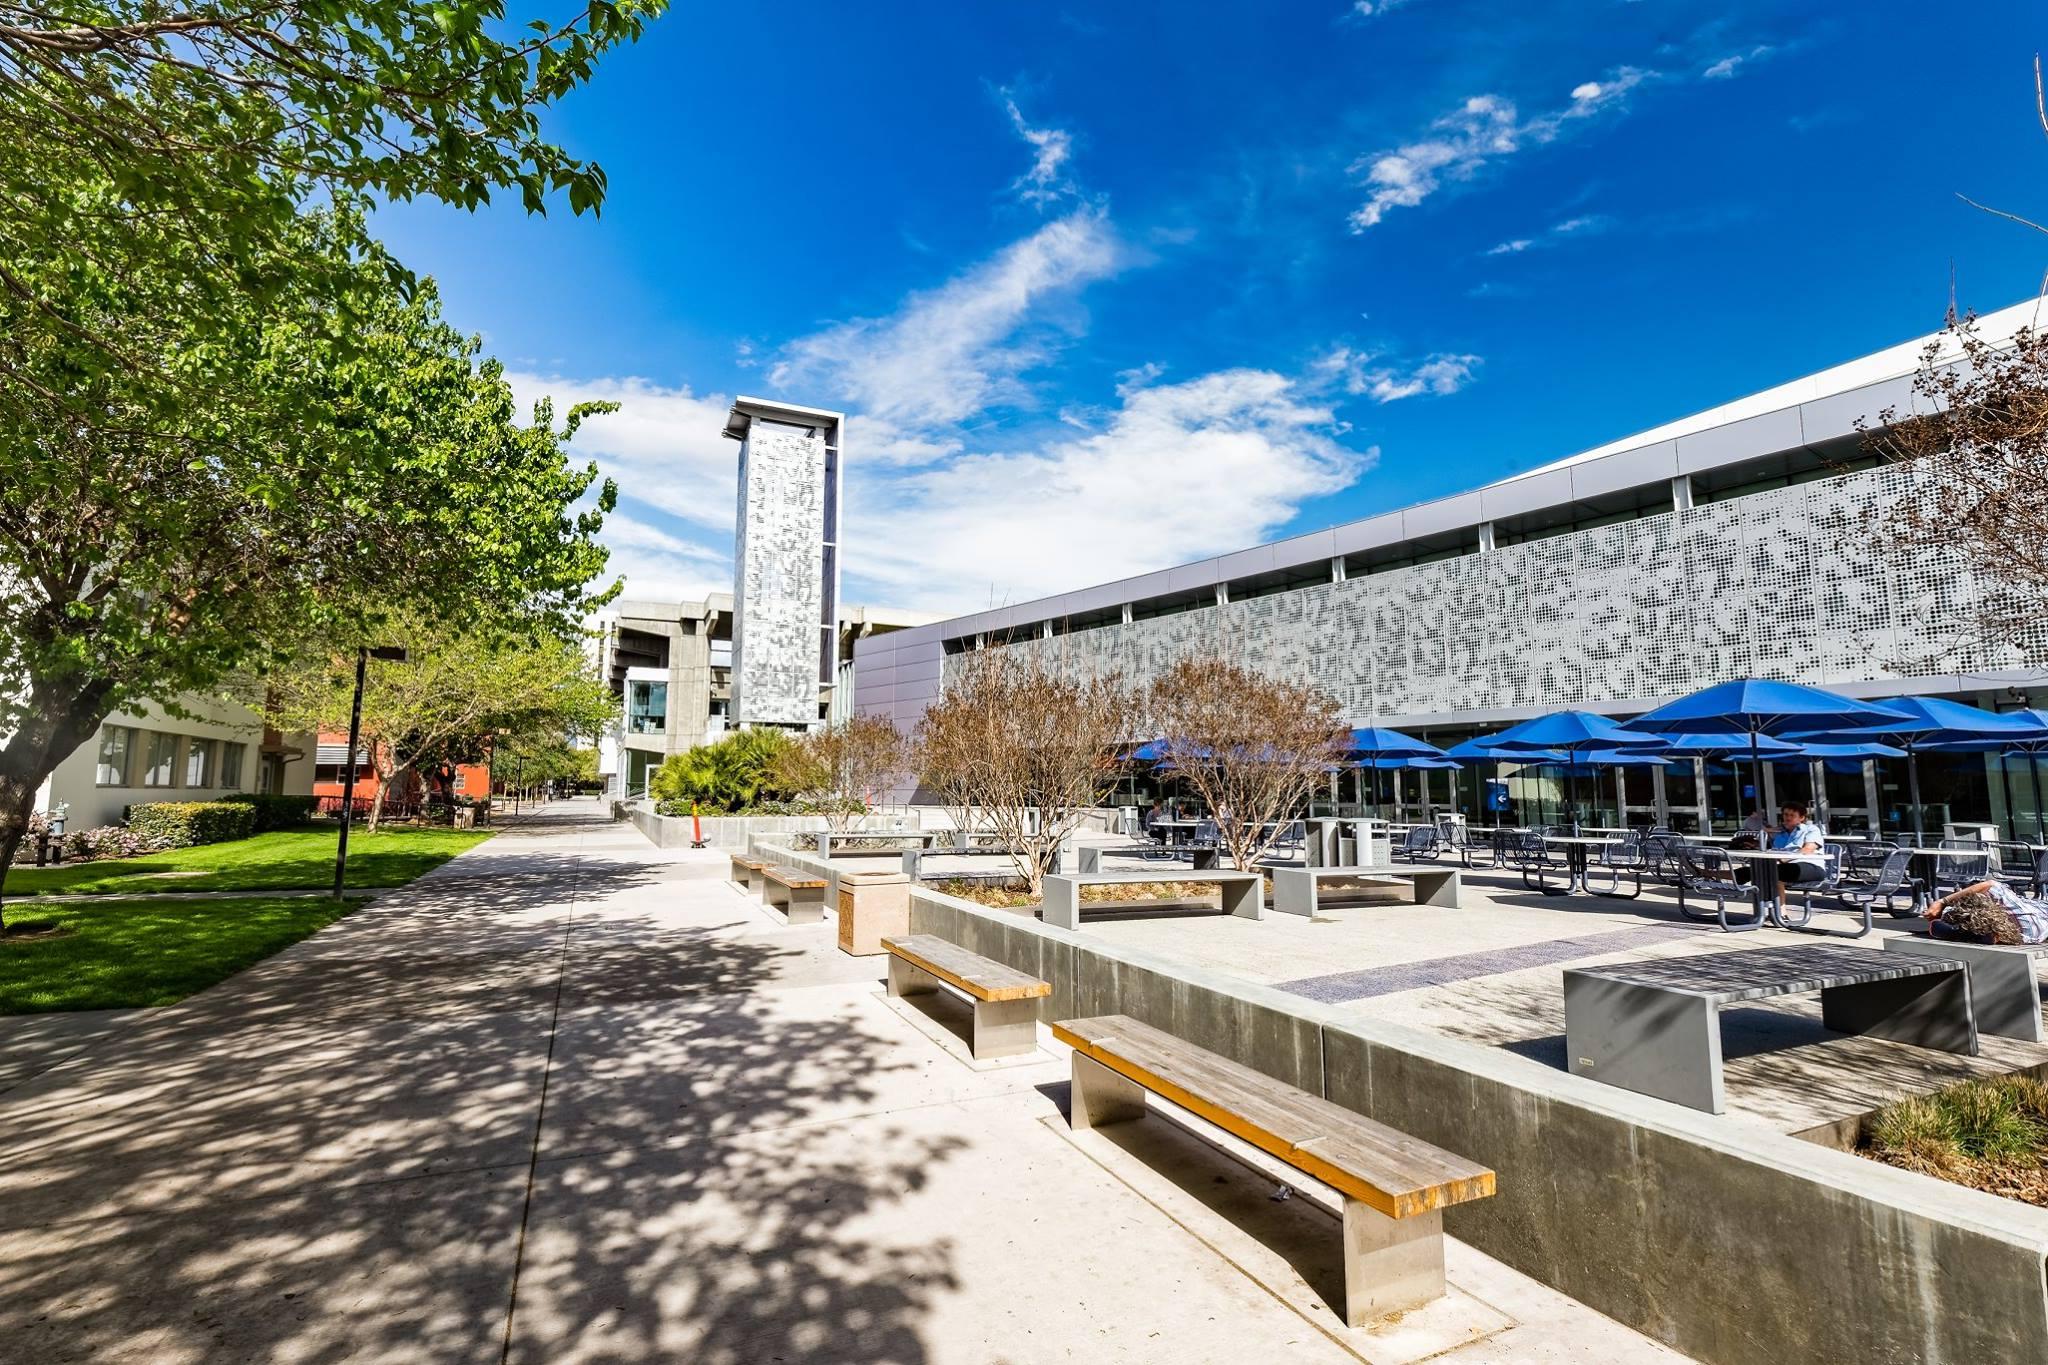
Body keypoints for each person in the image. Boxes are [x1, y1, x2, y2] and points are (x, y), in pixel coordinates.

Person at [1923, 880, 2048, 944]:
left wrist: (1943, 903)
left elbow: (1990, 885)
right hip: (2036, 907)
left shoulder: (2028, 933)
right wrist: (1943, 902)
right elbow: (1990, 884)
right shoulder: (2028, 928)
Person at [1767, 800, 1830, 889]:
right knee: (1753, 871)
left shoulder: (1811, 829)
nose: (1788, 818)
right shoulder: (1780, 833)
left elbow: (1808, 849)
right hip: (1786, 867)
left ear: (1802, 818)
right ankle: (1772, 902)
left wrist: (1784, 859)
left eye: (1792, 815)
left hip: (1811, 866)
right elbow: (1773, 851)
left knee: (1774, 871)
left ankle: (1777, 902)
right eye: (1785, 814)